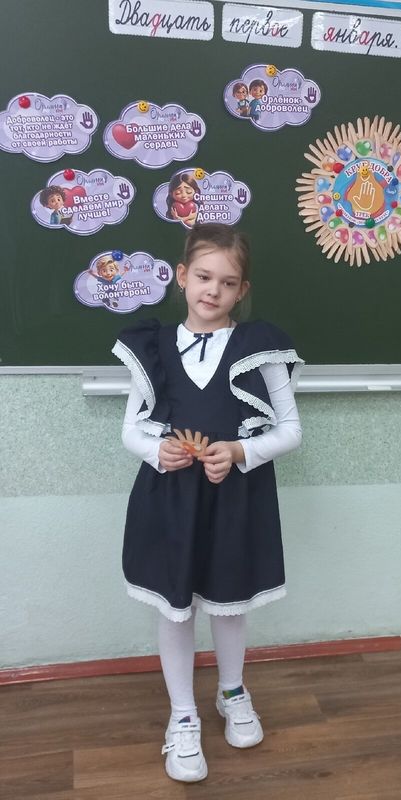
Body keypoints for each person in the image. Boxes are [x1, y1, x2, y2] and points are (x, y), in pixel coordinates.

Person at [112, 223, 303, 784]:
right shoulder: (153, 348)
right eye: (203, 276)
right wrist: (159, 451)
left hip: (234, 499)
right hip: (170, 498)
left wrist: (241, 450)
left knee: (229, 603)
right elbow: (130, 431)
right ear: (182, 276)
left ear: (242, 290)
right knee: (175, 607)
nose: (212, 290)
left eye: (227, 282)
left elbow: (290, 431)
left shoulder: (259, 347)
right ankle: (182, 714)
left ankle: (233, 692)